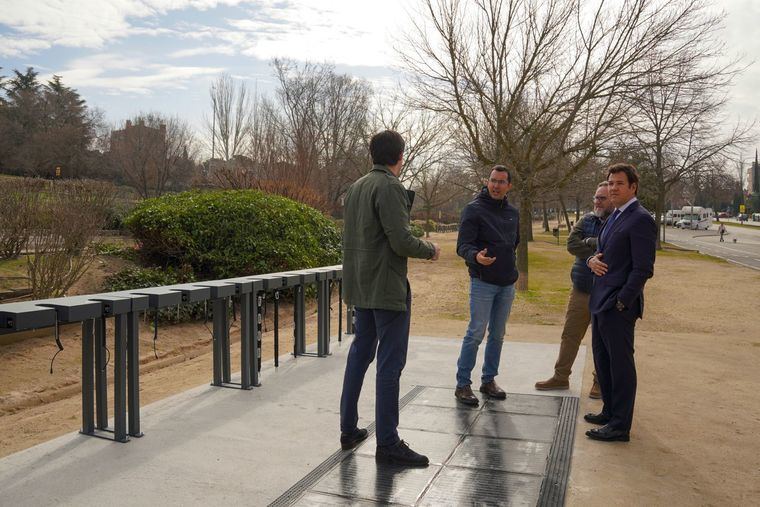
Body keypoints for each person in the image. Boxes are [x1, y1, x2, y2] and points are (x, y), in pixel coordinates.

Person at [339, 130, 440, 466]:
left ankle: (349, 428)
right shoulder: (390, 187)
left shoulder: (356, 187)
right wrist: (429, 250)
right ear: (401, 155)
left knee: (360, 355)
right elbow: (400, 240)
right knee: (390, 364)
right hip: (386, 287)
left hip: (361, 285)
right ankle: (388, 443)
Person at [585, 163, 656, 442]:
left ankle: (620, 425)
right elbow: (603, 252)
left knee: (621, 366)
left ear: (632, 187)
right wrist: (591, 260)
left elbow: (643, 268)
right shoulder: (615, 216)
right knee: (603, 362)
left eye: (619, 183)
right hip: (599, 302)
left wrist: (623, 302)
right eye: (610, 183)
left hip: (617, 306)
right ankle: (610, 412)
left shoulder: (640, 219)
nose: (613, 188)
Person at [535, 182, 615, 398]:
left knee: (603, 340)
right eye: (596, 197)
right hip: (581, 288)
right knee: (570, 335)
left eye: (602, 198)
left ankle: (599, 382)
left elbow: (613, 248)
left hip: (606, 292)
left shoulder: (618, 222)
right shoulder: (586, 219)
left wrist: (589, 241)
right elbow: (571, 244)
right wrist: (591, 252)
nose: (597, 202)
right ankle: (560, 377)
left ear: (612, 200)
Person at [454, 165, 519, 406]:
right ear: (487, 181)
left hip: (506, 284)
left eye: (501, 181)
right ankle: (462, 384)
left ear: (508, 185)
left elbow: (514, 243)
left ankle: (488, 380)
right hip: (482, 282)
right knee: (476, 333)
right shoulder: (473, 209)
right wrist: (476, 257)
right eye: (493, 180)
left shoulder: (513, 212)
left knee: (498, 335)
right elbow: (462, 246)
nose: (496, 185)